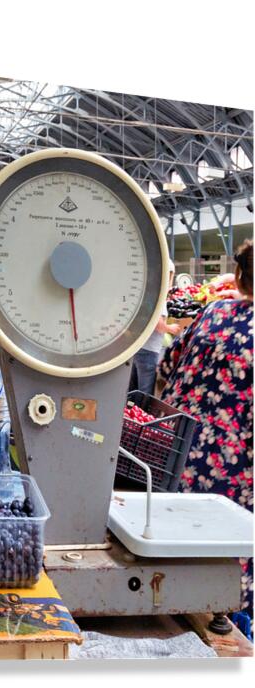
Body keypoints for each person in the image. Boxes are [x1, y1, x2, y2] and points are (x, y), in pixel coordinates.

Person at [158, 238, 253, 627]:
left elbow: (165, 368)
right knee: (228, 583)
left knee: (177, 559)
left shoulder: (213, 311)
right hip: (235, 480)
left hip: (177, 463)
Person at [129, 271, 181, 395]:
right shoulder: (159, 298)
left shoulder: (145, 295)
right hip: (149, 351)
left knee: (134, 390)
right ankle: (141, 413)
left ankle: (131, 412)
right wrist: (171, 328)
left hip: (139, 348)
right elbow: (158, 325)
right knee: (145, 392)